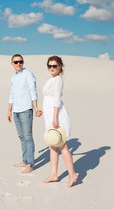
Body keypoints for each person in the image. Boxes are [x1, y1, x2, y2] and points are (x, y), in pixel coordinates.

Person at [42, 55, 78, 187]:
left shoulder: (57, 80)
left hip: (56, 116)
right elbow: (49, 99)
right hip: (50, 114)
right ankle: (54, 174)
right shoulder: (53, 79)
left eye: (54, 66)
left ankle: (72, 174)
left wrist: (54, 118)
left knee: (62, 145)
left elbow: (56, 100)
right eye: (49, 66)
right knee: (52, 145)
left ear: (60, 67)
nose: (51, 68)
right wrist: (43, 110)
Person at [7, 54, 42, 173]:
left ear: (23, 62)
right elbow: (12, 95)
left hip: (26, 110)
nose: (18, 64)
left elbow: (33, 91)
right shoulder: (13, 78)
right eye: (16, 62)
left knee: (28, 136)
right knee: (21, 137)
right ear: (12, 64)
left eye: (20, 61)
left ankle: (31, 164)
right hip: (16, 111)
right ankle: (25, 161)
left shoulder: (28, 74)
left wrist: (36, 107)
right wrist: (9, 110)